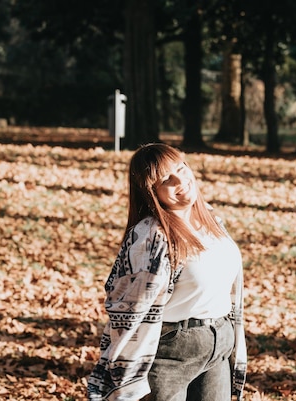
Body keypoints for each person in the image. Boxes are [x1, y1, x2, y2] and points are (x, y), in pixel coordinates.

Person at [87, 143, 246, 401]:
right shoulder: (150, 236)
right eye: (166, 178)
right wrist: (119, 370)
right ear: (151, 192)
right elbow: (125, 308)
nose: (180, 180)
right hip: (172, 352)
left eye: (181, 168)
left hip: (219, 341)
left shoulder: (212, 221)